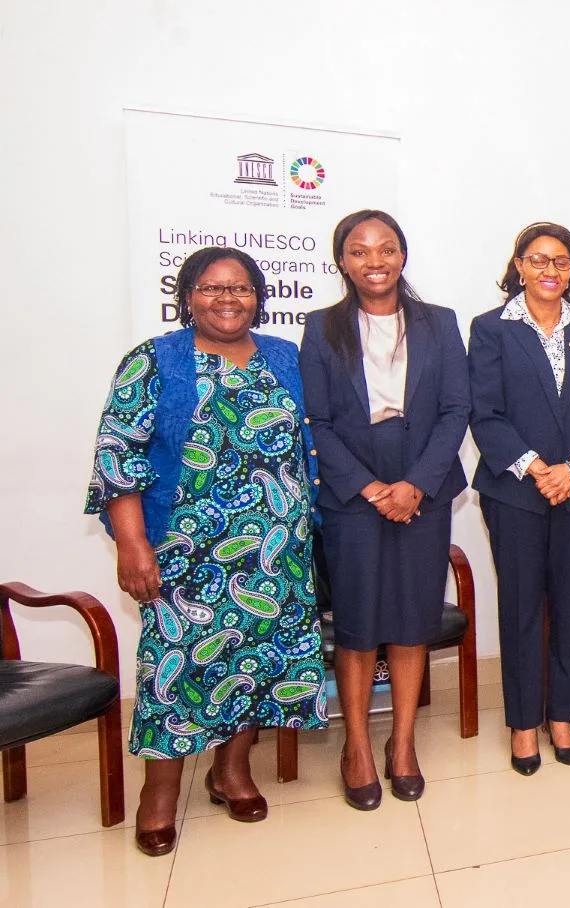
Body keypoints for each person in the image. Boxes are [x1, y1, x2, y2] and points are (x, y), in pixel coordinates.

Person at [85, 247, 326, 856]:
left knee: (251, 664)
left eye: (241, 288)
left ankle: (231, 773)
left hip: (274, 552)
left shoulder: (283, 357)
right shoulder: (156, 359)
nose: (228, 299)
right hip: (183, 548)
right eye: (212, 288)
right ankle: (158, 795)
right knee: (174, 674)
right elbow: (118, 454)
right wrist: (134, 544)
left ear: (258, 297)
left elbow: (313, 439)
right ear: (187, 294)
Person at [300, 210, 469, 807]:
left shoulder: (439, 323)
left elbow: (456, 410)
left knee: (411, 619)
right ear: (342, 261)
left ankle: (401, 744)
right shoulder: (322, 328)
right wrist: (372, 490)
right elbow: (316, 420)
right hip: (353, 489)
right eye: (360, 250)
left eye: (387, 248)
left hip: (424, 479)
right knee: (358, 625)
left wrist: (416, 485)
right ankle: (358, 748)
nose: (376, 260)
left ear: (403, 255)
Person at [469, 222, 570, 775]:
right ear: (518, 265)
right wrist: (539, 469)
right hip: (515, 493)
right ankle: (522, 723)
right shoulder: (490, 329)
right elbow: (484, 411)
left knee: (568, 608)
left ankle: (562, 714)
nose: (549, 270)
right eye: (538, 260)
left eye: (560, 261)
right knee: (521, 610)